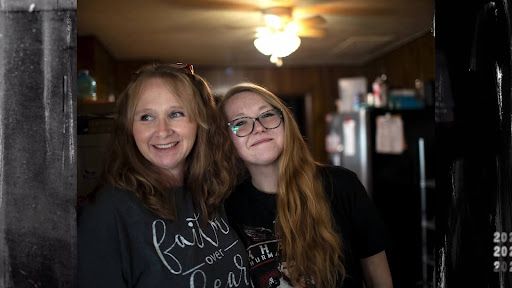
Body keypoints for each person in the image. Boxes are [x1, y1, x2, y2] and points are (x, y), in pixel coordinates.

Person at [78, 63, 251, 288]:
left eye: (176, 113)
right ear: (129, 128)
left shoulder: (210, 189)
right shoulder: (107, 211)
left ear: (200, 122)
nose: (162, 130)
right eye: (146, 117)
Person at [218, 82, 393, 288]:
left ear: (285, 122)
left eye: (266, 115)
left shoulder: (342, 185)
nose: (258, 128)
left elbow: (379, 280)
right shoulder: (227, 206)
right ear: (226, 139)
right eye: (240, 122)